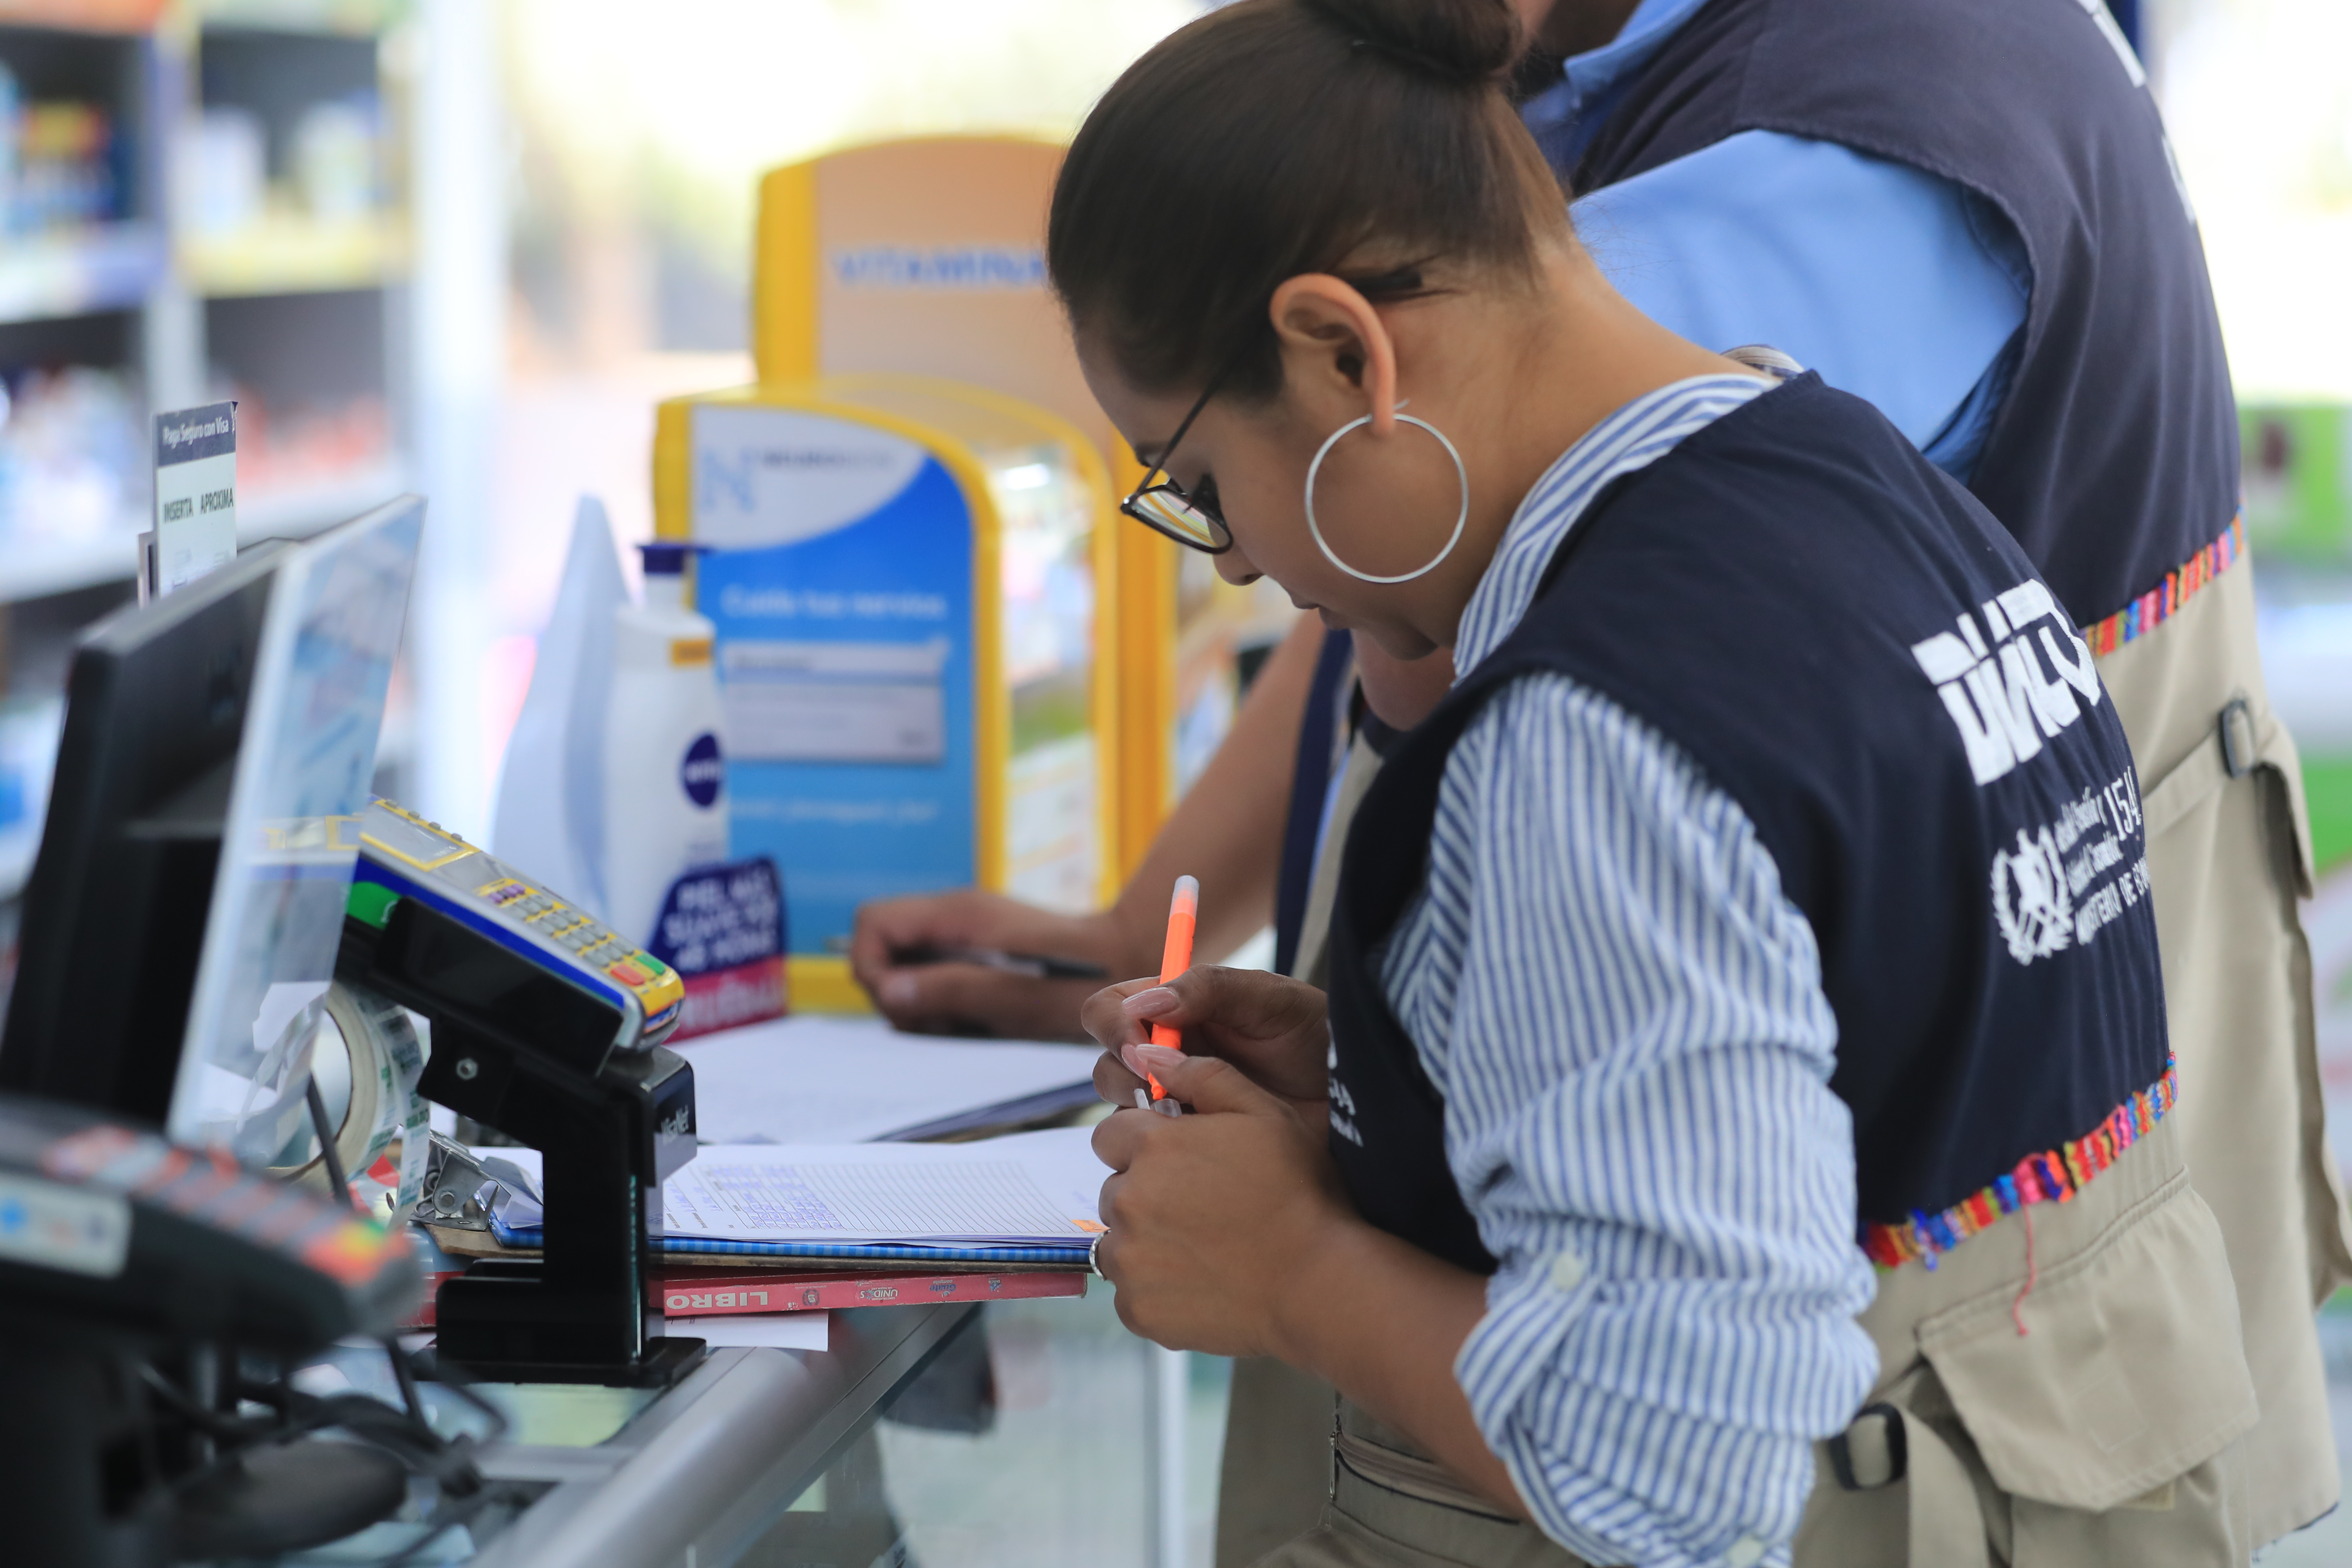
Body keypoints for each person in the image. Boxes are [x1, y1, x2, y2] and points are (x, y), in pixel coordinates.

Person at [861, 0, 2348, 1551]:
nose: (1233, 559)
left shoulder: (1590, 733)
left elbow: (1678, 1468)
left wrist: (1297, 1270)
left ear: (1340, 351)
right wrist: (1408, 1075)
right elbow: (1844, 1041)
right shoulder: (1861, 475)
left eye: (1200, 486)